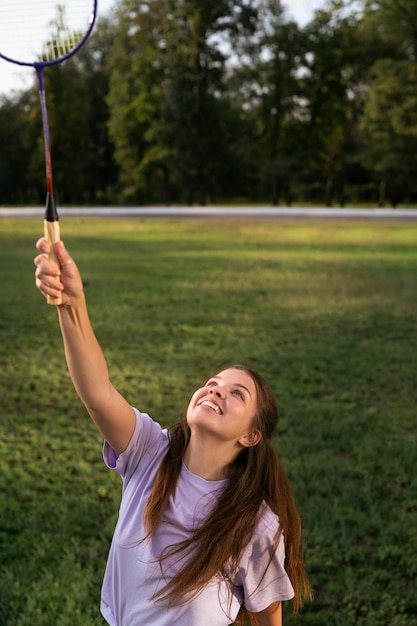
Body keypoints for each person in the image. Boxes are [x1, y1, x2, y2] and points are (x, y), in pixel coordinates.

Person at [34, 238, 312, 626]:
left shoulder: (255, 522)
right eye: (213, 382)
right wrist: (72, 306)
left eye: (237, 394)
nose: (216, 389)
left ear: (251, 436)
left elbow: (267, 615)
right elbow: (98, 394)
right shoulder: (149, 451)